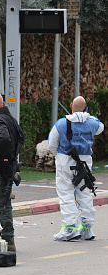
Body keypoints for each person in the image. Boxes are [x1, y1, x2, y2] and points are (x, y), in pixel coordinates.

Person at [48, 96, 104, 241]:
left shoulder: (61, 123)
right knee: (84, 192)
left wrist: (59, 156)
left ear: (71, 105)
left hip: (65, 161)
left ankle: (70, 228)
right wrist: (87, 115)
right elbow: (100, 127)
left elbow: (52, 144)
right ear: (86, 108)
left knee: (66, 193)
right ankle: (87, 228)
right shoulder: (92, 123)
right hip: (85, 162)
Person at [0, 94, 25, 252]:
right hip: (9, 169)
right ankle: (7, 239)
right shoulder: (11, 119)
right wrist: (12, 162)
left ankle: (8, 240)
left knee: (1, 204)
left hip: (1, 171)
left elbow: (4, 139)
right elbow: (21, 137)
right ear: (2, 103)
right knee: (5, 202)